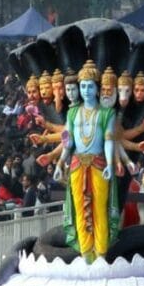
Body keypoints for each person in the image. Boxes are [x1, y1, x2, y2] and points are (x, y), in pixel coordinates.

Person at [57, 59, 119, 261]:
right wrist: (59, 163)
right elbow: (68, 142)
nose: (85, 90)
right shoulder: (72, 112)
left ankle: (101, 253)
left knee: (99, 209)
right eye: (82, 86)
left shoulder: (107, 113)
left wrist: (110, 163)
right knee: (80, 210)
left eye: (90, 86)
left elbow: (109, 140)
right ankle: (85, 254)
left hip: (99, 164)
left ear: (97, 88)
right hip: (76, 165)